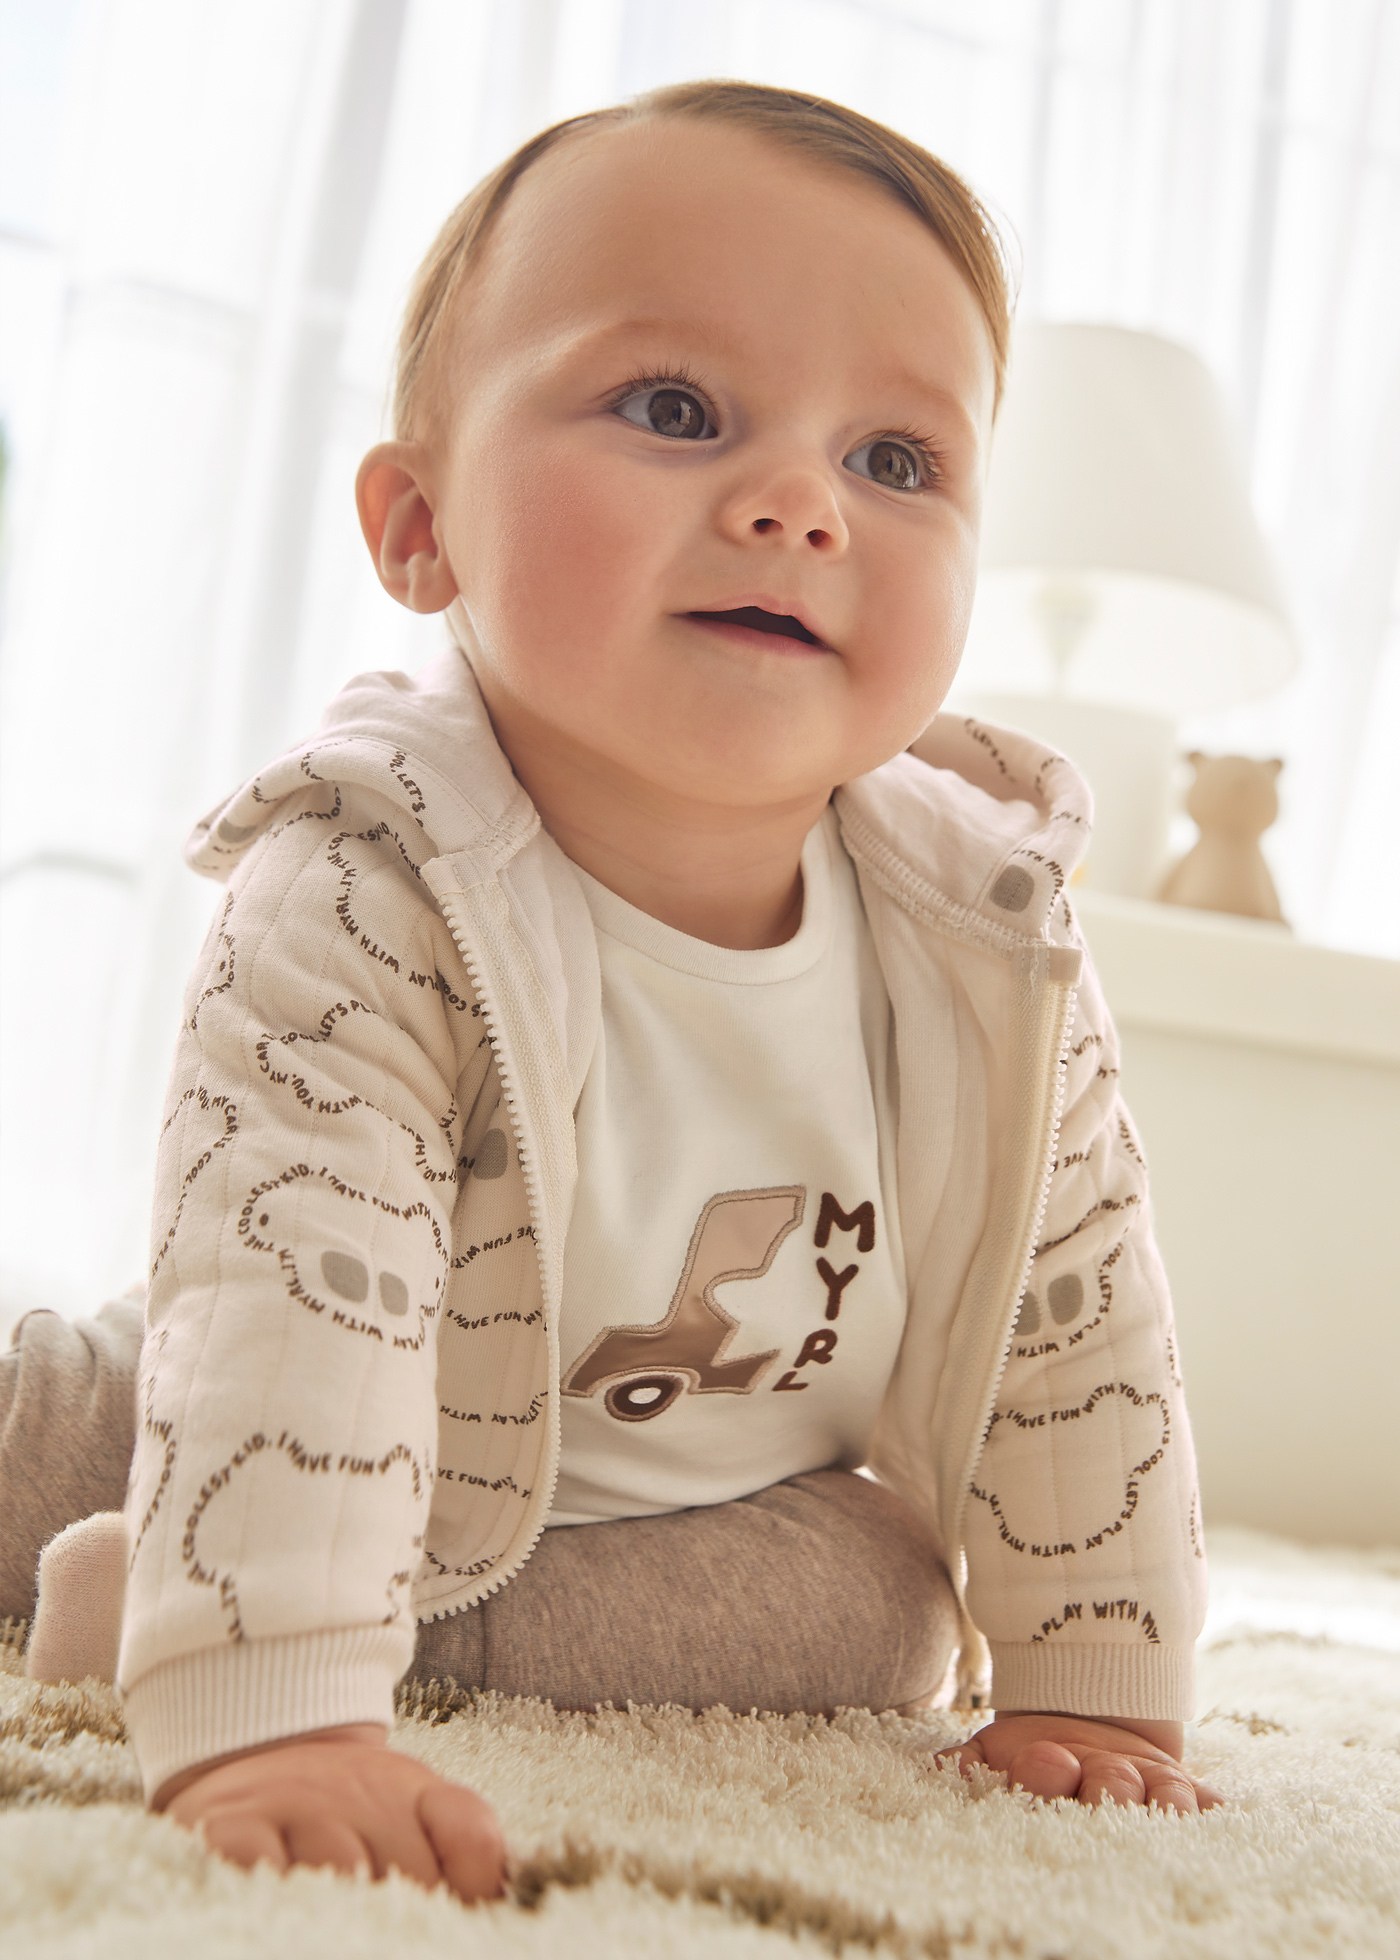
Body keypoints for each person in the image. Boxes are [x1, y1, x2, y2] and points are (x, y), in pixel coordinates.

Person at [0, 79, 1223, 1906]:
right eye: (675, 411)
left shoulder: (991, 929)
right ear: (422, 529)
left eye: (897, 461)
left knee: (886, 1614)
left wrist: (1104, 1689)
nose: (801, 502)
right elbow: (292, 1283)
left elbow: (1078, 1316)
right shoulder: (366, 874)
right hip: (300, 1374)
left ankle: (169, 1596)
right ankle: (185, 1564)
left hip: (701, 1504)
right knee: (60, 1421)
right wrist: (273, 1705)